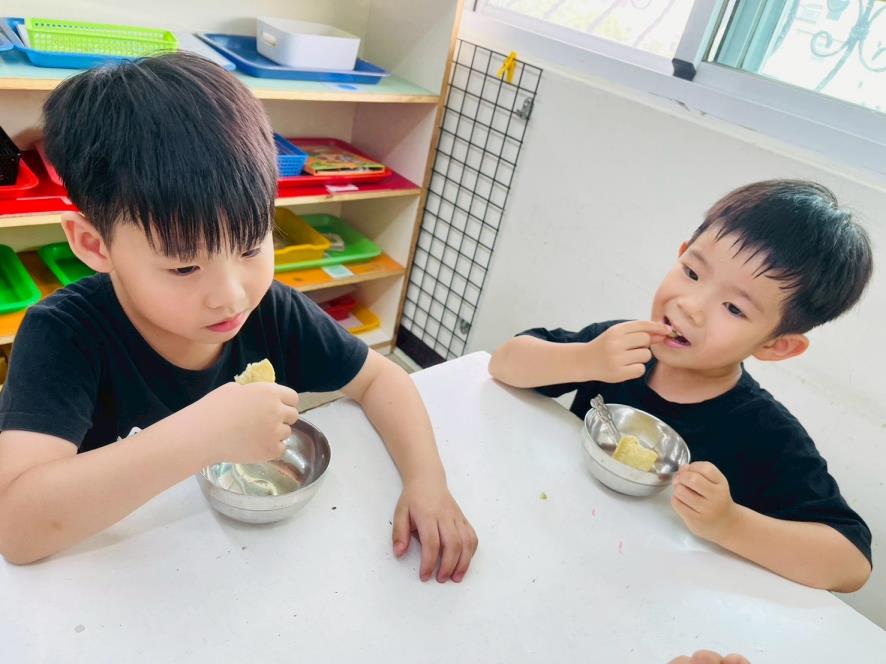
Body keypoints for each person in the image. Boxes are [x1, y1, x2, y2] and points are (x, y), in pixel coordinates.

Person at [0, 53, 477, 583]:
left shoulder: (272, 310)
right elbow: (16, 529)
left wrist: (427, 482)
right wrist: (199, 436)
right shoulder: (63, 335)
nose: (230, 297)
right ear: (94, 245)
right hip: (110, 582)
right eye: (184, 267)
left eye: (251, 246)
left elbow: (381, 378)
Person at [489, 180, 872, 591]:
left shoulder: (763, 430)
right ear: (681, 252)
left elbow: (851, 564)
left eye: (733, 308)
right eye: (692, 272)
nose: (690, 306)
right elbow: (504, 363)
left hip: (645, 591)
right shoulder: (618, 346)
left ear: (776, 346)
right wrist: (586, 359)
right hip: (552, 541)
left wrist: (730, 523)